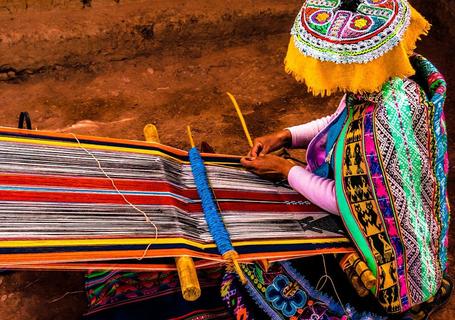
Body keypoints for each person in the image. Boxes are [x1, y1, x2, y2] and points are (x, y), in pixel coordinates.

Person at [236, 0, 452, 319]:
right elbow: (341, 117)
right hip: (415, 224)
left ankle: (410, 301)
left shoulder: (383, 124)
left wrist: (287, 169)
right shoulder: (388, 79)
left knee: (276, 261)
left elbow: (350, 201)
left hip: (395, 253)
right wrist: (287, 135)